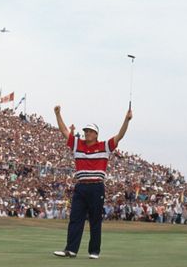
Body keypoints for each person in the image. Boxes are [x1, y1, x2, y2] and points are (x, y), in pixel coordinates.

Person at [53, 105, 132, 259]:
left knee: (95, 220)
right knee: (75, 219)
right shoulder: (78, 145)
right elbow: (64, 131)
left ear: (96, 134)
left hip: (96, 187)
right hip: (81, 186)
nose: (86, 133)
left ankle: (94, 251)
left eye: (89, 131)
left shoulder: (104, 146)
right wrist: (58, 114)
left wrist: (126, 120)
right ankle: (71, 249)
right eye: (85, 131)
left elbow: (120, 135)